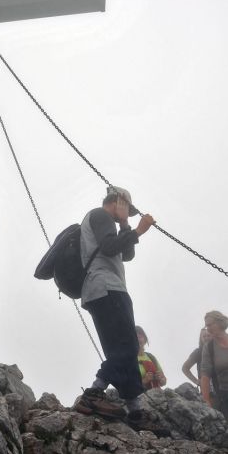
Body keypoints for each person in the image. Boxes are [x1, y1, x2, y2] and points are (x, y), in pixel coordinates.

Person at [73, 185, 160, 433]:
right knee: (129, 347)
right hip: (107, 288)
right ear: (118, 202)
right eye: (127, 210)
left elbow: (127, 254)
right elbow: (111, 248)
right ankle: (94, 392)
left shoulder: (110, 222)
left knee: (122, 350)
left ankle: (135, 411)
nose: (129, 215)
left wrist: (126, 227)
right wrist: (138, 230)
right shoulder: (100, 215)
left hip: (101, 290)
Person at [200, 310, 228, 420]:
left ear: (220, 322)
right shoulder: (209, 348)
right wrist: (206, 400)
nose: (208, 328)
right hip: (225, 396)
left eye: (210, 325)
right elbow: (205, 374)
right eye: (206, 326)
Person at [135, 325, 166, 391]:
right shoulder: (128, 359)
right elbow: (126, 385)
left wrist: (161, 379)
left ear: (145, 339)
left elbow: (164, 381)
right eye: (135, 337)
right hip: (138, 397)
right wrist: (144, 381)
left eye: (140, 336)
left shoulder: (151, 357)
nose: (137, 339)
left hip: (156, 396)